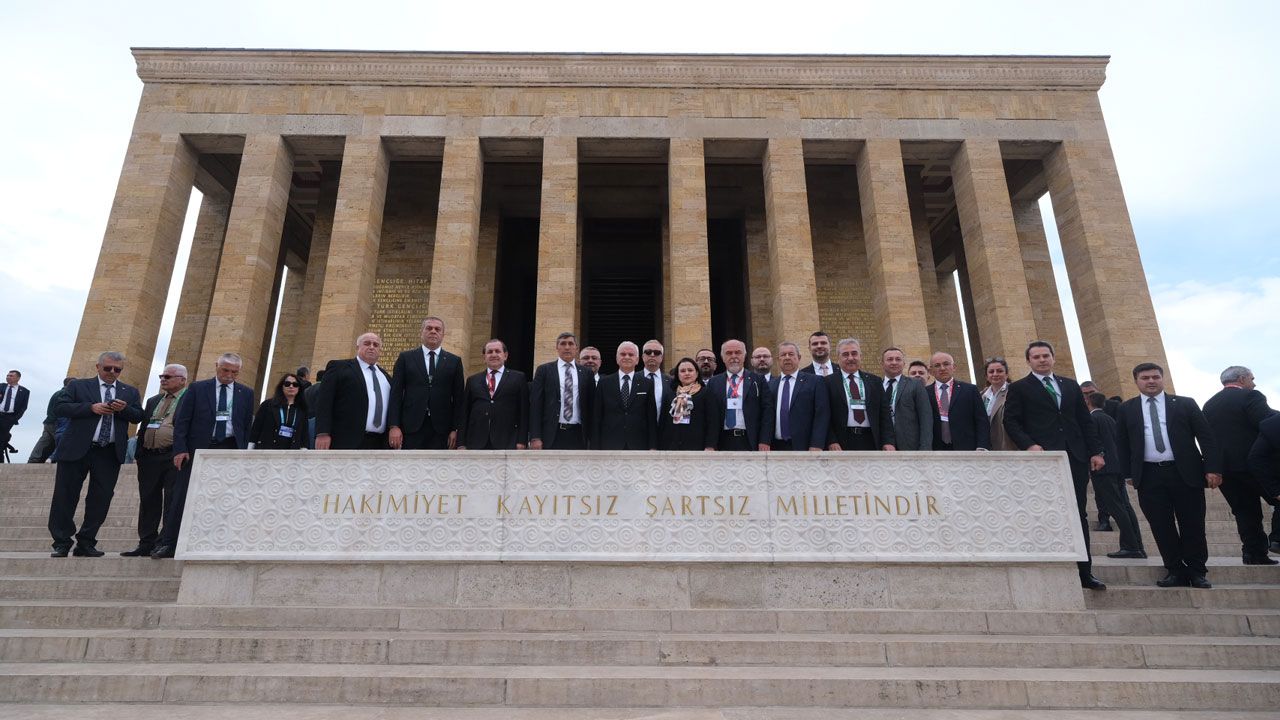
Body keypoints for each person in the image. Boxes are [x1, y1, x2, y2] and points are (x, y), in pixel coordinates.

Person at [1002, 340, 1107, 590]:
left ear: (1053, 357)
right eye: (1036, 357)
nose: (1042, 360)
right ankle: (1053, 567)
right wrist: (1029, 445)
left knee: (1078, 512)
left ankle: (1085, 571)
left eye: (1045, 355)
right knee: (1045, 511)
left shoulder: (1069, 385)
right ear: (1028, 361)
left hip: (1074, 456)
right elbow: (1011, 421)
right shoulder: (1019, 388)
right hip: (1042, 459)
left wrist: (1095, 452)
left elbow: (1084, 421)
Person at [1115, 362, 1223, 588]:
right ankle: (1174, 570)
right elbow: (1122, 443)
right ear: (1136, 381)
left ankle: (1197, 571)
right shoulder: (1126, 409)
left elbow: (1206, 437)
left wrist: (1213, 468)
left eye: (1155, 377)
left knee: (1192, 524)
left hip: (1185, 473)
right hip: (1149, 475)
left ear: (1162, 379)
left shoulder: (1185, 404)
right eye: (1145, 378)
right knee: (1161, 525)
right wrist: (1127, 473)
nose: (1151, 381)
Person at [47, 352, 144, 557]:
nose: (112, 372)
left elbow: (138, 416)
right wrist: (90, 408)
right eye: (108, 368)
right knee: (65, 496)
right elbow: (60, 408)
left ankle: (86, 541)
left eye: (117, 369)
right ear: (98, 367)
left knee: (101, 498)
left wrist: (124, 409)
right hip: (77, 449)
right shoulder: (78, 386)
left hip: (108, 452)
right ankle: (62, 541)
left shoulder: (129, 391)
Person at [158, 353, 255, 559]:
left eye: (234, 372)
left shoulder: (246, 393)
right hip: (198, 449)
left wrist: (244, 452)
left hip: (229, 448)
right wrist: (180, 449)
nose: (229, 375)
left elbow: (246, 425)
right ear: (217, 366)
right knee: (183, 496)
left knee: (224, 497)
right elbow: (182, 421)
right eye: (225, 370)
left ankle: (216, 542)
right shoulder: (197, 388)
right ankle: (169, 543)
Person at [1202, 366, 1278, 564]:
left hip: (1225, 468)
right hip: (1255, 464)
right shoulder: (1251, 396)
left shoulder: (1209, 404)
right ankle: (1277, 539)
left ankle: (1253, 553)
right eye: (1252, 379)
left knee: (1244, 510)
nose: (1254, 383)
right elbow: (1267, 423)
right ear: (1242, 379)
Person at [123, 364, 188, 557]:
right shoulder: (154, 400)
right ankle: (146, 542)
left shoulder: (189, 398)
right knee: (148, 500)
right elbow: (144, 426)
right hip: (149, 456)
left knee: (171, 501)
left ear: (182, 380)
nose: (163, 379)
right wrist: (139, 452)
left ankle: (165, 542)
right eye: (162, 376)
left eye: (168, 376)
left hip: (173, 456)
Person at [388, 317, 465, 449]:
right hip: (411, 427)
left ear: (443, 335)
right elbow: (396, 393)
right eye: (429, 328)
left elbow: (459, 399)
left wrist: (455, 429)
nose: (433, 331)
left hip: (442, 430)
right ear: (421, 332)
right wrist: (394, 426)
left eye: (437, 329)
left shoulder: (454, 361)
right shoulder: (406, 358)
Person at [1087, 392, 1147, 559]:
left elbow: (1093, 443)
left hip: (1103, 469)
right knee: (1125, 506)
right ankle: (1137, 545)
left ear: (1088, 403)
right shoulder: (1110, 419)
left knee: (1116, 507)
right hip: (1118, 466)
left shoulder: (1092, 419)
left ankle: (1130, 546)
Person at [315, 333, 393, 450]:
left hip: (379, 442)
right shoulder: (339, 367)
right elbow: (324, 401)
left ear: (380, 350)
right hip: (346, 440)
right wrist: (322, 432)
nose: (371, 347)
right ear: (357, 347)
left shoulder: (385, 376)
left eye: (376, 345)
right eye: (367, 343)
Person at [823, 338, 894, 452]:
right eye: (845, 354)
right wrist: (831, 440)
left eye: (854, 353)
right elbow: (824, 415)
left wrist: (888, 441)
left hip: (871, 439)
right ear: (838, 358)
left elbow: (884, 414)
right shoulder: (827, 382)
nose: (851, 358)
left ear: (860, 356)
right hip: (841, 442)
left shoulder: (875, 381)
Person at [458, 339, 529, 450]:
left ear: (505, 355)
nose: (494, 355)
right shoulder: (472, 380)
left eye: (497, 351)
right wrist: (461, 443)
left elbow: (524, 411)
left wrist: (522, 440)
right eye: (490, 352)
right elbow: (465, 412)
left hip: (508, 440)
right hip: (476, 441)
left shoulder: (518, 378)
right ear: (484, 357)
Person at [705, 339, 774, 451]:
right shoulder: (714, 382)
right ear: (722, 358)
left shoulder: (758, 380)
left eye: (738, 352)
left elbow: (767, 412)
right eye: (729, 353)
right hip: (722, 441)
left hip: (750, 440)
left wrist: (765, 440)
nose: (734, 356)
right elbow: (709, 415)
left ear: (744, 356)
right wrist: (710, 444)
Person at [530, 332, 594, 450]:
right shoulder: (544, 370)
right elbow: (536, 405)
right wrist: (535, 437)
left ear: (576, 348)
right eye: (563, 344)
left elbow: (591, 406)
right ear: (557, 347)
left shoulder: (586, 373)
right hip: (551, 434)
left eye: (570, 344)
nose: (567, 347)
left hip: (578, 434)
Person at [592, 341, 657, 450]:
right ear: (617, 358)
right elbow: (597, 416)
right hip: (609, 443)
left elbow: (651, 417)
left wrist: (653, 446)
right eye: (623, 354)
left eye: (631, 354)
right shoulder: (604, 383)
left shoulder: (647, 384)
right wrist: (595, 447)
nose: (627, 357)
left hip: (639, 443)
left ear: (637, 360)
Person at [769, 342, 828, 451]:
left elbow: (822, 414)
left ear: (799, 357)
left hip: (805, 446)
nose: (787, 357)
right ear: (778, 359)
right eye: (783, 355)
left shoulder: (815, 381)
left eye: (791, 354)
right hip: (776, 446)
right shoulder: (771, 385)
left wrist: (817, 443)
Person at [927, 352, 990, 451]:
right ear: (931, 371)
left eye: (946, 364)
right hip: (936, 448)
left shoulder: (970, 390)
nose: (942, 368)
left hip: (967, 447)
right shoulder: (925, 393)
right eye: (937, 365)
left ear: (954, 367)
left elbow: (981, 420)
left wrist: (982, 445)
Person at [659, 357, 720, 451]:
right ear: (678, 374)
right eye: (683, 371)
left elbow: (713, 422)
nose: (687, 373)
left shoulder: (706, 393)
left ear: (697, 373)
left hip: (698, 446)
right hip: (672, 446)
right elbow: (663, 422)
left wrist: (710, 445)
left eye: (690, 370)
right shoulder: (670, 394)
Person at [880, 347, 932, 451]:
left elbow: (926, 419)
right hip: (882, 445)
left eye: (898, 359)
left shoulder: (915, 385)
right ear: (882, 364)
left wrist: (925, 449)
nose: (894, 362)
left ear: (904, 363)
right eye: (890, 359)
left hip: (910, 446)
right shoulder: (875, 385)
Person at [248, 373, 308, 450]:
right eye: (287, 384)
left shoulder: (302, 409)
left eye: (295, 384)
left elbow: (304, 434)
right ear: (281, 387)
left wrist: (304, 449)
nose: (291, 386)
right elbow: (256, 428)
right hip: (267, 449)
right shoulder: (267, 405)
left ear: (299, 388)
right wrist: (250, 448)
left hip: (291, 451)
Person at [28, 378, 73, 463]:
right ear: (71, 384)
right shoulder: (66, 394)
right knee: (61, 440)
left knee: (43, 441)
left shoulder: (57, 393)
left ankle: (33, 459)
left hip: (48, 421)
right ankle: (53, 458)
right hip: (57, 422)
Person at [982, 357, 1017, 451]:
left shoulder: (1014, 392)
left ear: (1006, 374)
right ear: (986, 376)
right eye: (991, 372)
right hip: (989, 447)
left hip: (1010, 446)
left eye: (999, 371)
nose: (995, 374)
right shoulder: (982, 395)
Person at [641, 339, 671, 423]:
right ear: (643, 356)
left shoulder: (671, 382)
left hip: (663, 428)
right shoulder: (633, 379)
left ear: (662, 358)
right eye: (648, 352)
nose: (652, 355)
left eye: (657, 352)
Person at [0, 370, 30, 452]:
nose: (8, 377)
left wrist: (15, 419)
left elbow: (23, 407)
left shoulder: (24, 391)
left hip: (9, 418)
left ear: (18, 378)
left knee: (1, 438)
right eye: (7, 375)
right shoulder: (1, 386)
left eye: (11, 376)